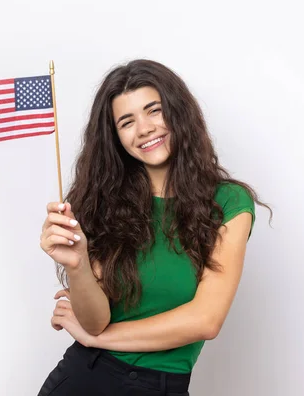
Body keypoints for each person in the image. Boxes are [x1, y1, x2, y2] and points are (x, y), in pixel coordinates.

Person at [37, 59, 272, 396]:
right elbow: (95, 320)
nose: (144, 128)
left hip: (161, 386)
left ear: (178, 113)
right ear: (116, 137)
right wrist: (78, 266)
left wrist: (98, 339)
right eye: (127, 121)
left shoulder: (229, 203)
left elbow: (206, 320)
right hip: (85, 377)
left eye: (153, 111)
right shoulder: (105, 204)